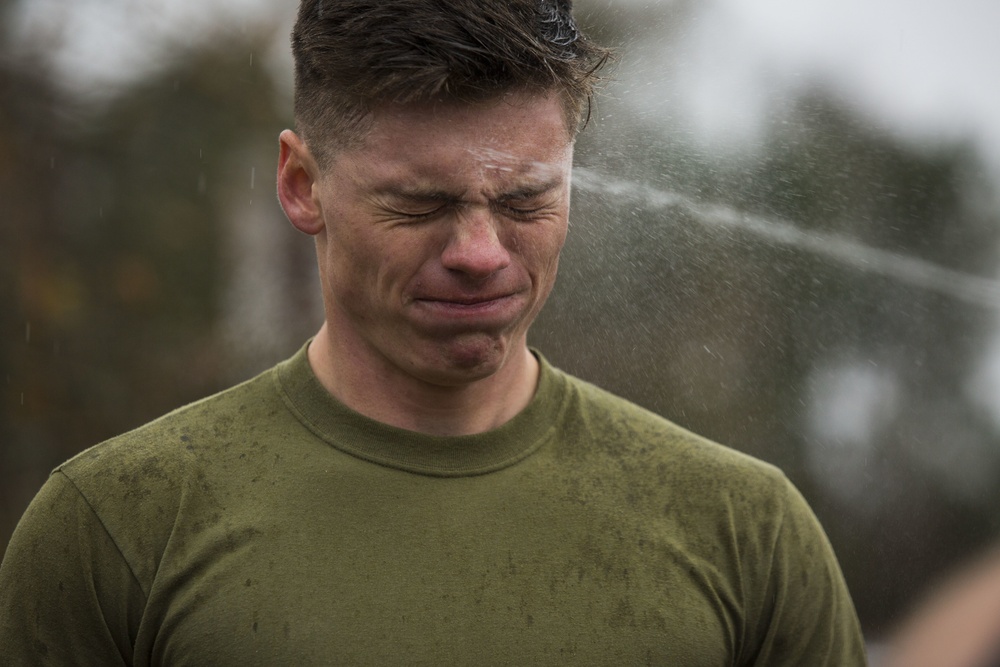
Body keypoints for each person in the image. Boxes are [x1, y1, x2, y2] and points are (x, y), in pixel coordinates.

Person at [0, 0, 867, 664]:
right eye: (419, 204)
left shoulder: (748, 534)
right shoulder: (116, 530)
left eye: (527, 199)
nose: (481, 254)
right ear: (302, 185)